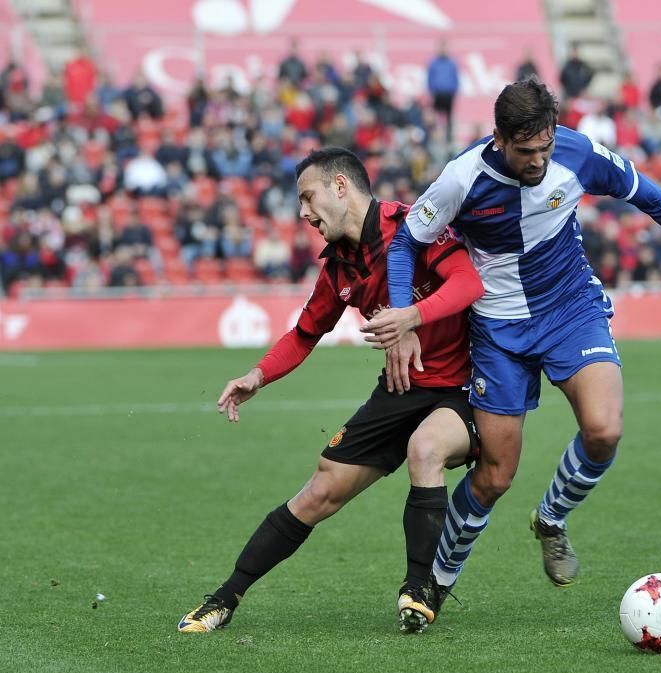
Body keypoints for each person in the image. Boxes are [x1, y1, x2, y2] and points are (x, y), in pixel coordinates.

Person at [365, 78, 661, 598]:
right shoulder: (461, 178)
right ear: (498, 138)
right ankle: (437, 581)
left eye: (544, 147)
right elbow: (407, 241)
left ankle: (551, 518)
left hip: (571, 310)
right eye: (526, 151)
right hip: (498, 330)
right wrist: (405, 312)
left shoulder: (578, 153)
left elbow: (652, 197)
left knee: (604, 429)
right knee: (495, 477)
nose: (539, 161)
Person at [177, 147, 485, 635]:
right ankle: (224, 598)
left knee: (425, 450)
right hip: (400, 388)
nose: (303, 212)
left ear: (341, 187)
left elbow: (470, 284)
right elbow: (304, 334)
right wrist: (256, 375)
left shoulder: (416, 226)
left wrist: (412, 316)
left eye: (308, 196)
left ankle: (419, 589)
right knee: (318, 491)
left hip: (465, 387)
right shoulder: (339, 267)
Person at [427, 40, 460, 144]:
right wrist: (432, 91)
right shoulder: (433, 63)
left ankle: (449, 140)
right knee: (436, 119)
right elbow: (430, 78)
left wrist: (454, 90)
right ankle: (435, 139)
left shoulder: (452, 63)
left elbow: (456, 78)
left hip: (448, 94)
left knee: (449, 118)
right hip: (437, 94)